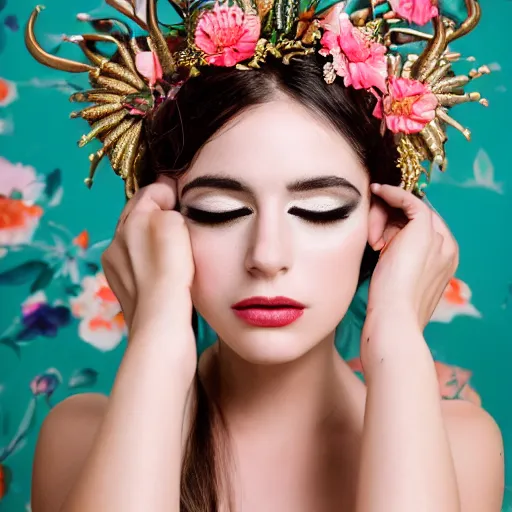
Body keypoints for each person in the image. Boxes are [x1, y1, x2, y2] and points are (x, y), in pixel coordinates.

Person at [26, 0, 504, 511]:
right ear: (159, 221)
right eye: (219, 210)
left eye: (320, 210)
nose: (267, 257)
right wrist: (158, 340)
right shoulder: (79, 437)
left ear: (383, 218)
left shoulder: (460, 445)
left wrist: (398, 341)